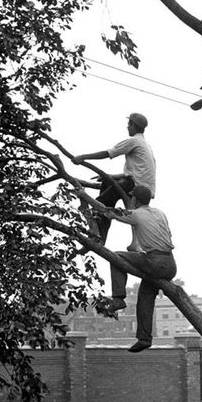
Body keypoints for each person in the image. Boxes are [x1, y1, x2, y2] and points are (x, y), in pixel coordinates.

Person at [104, 186, 176, 352]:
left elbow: (108, 212)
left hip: (155, 262)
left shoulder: (135, 214)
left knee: (116, 256)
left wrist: (84, 196)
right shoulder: (160, 213)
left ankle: (118, 298)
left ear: (135, 200)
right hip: (170, 264)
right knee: (145, 297)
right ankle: (144, 339)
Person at [73, 113, 156, 247]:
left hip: (135, 185)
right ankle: (102, 235)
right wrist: (110, 176)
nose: (127, 127)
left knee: (101, 203)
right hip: (144, 187)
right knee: (107, 183)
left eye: (129, 124)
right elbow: (134, 173)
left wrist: (83, 157)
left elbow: (108, 153)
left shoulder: (133, 141)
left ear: (133, 125)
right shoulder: (146, 145)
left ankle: (98, 237)